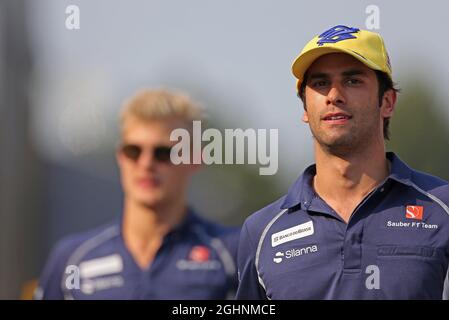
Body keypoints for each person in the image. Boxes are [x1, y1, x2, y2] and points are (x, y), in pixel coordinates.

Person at [236, 25, 449, 299]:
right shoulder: (261, 232)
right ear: (305, 108)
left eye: (352, 81)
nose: (334, 95)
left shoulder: (442, 210)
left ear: (387, 102)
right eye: (320, 83)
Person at [35, 89, 239, 299]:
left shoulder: (232, 253)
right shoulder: (72, 260)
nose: (146, 163)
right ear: (120, 157)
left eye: (163, 153)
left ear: (196, 158)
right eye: (133, 151)